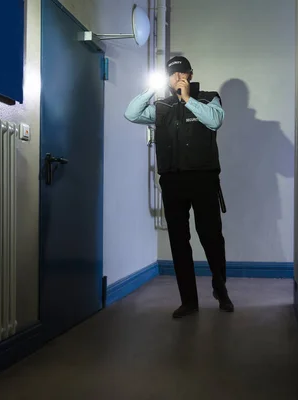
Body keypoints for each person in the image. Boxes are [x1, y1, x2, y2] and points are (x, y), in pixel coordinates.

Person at [124, 56, 234, 318]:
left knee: (211, 238)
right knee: (178, 242)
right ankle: (189, 301)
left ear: (190, 74)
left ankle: (221, 289)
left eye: (181, 73)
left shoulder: (208, 98)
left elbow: (215, 121)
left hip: (203, 180)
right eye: (172, 74)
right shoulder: (161, 105)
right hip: (172, 181)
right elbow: (131, 114)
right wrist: (153, 88)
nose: (176, 78)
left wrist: (188, 99)